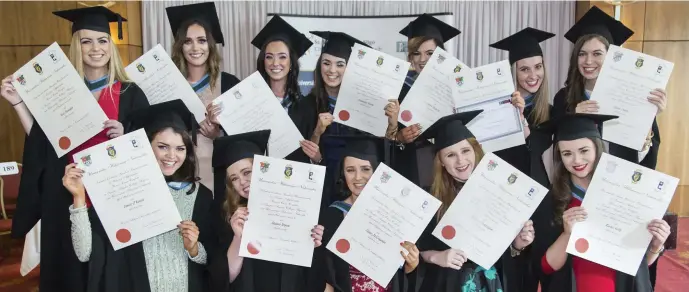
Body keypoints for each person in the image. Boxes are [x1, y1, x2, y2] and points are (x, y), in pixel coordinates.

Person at [5, 6, 150, 292]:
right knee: (70, 273)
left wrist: (126, 133)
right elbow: (42, 142)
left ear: (111, 46)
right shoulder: (63, 92)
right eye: (86, 41)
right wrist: (17, 103)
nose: (95, 48)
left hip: (113, 200)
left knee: (111, 274)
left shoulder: (130, 92)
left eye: (102, 40)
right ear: (76, 47)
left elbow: (148, 146)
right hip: (68, 196)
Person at [64, 100, 215, 292]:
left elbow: (210, 259)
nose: (171, 156)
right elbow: (85, 252)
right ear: (146, 145)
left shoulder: (200, 195)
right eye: (162, 146)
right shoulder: (124, 189)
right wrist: (78, 198)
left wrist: (193, 248)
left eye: (180, 148)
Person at [531, 113, 671, 292]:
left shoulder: (623, 194)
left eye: (584, 150)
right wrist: (567, 235)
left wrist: (656, 246)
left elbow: (639, 267)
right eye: (567, 153)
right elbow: (546, 267)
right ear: (559, 157)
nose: (577, 161)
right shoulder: (551, 201)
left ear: (597, 149)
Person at [417, 111, 535, 292]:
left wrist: (517, 243)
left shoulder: (500, 190)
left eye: (465, 151)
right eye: (450, 155)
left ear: (476, 150)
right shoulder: (431, 198)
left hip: (494, 282)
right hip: (447, 284)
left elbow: (508, 250)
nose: (460, 160)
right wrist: (437, 257)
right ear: (440, 161)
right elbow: (418, 250)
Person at [209, 130, 325, 291]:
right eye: (234, 178)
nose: (242, 182)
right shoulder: (230, 217)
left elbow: (312, 278)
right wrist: (238, 237)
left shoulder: (294, 207)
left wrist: (313, 244)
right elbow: (226, 277)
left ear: (264, 168)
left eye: (247, 172)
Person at [293, 31, 398, 210]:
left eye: (340, 64)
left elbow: (380, 150)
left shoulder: (364, 105)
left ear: (349, 68)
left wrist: (393, 123)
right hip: (322, 193)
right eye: (326, 63)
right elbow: (299, 161)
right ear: (319, 67)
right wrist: (317, 133)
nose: (332, 70)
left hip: (360, 191)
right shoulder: (306, 107)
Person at [552, 6, 665, 171]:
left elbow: (645, 159)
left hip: (618, 181)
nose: (588, 61)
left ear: (611, 56)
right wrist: (573, 118)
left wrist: (646, 118)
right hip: (579, 187)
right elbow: (558, 151)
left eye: (597, 53)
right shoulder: (563, 98)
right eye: (582, 54)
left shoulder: (633, 95)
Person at [316, 135, 422, 292]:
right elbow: (327, 276)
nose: (358, 177)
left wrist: (412, 264)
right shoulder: (333, 214)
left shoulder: (394, 214)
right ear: (342, 174)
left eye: (365, 169)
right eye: (350, 170)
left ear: (377, 171)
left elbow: (403, 274)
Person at [166, 1, 241, 194]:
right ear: (180, 47)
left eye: (201, 40)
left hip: (220, 179)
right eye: (188, 41)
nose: (195, 47)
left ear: (210, 44)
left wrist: (218, 136)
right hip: (177, 176)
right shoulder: (169, 87)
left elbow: (244, 139)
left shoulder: (229, 84)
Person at [391, 14, 460, 189]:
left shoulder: (457, 86)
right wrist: (400, 137)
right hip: (412, 170)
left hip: (453, 167)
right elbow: (385, 138)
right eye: (416, 53)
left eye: (430, 53)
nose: (422, 60)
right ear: (410, 58)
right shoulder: (398, 89)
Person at [489, 27, 556, 186]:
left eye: (538, 67)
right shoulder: (497, 107)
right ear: (513, 72)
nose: (533, 75)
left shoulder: (549, 112)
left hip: (534, 186)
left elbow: (537, 147)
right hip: (497, 184)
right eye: (525, 69)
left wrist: (521, 120)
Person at [250, 15, 314, 164]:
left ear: (291, 62)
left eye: (282, 57)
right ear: (263, 61)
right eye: (269, 57)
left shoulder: (306, 107)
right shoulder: (252, 102)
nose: (275, 63)